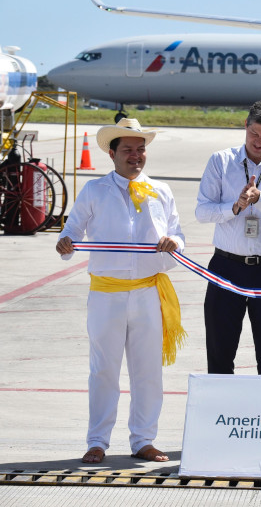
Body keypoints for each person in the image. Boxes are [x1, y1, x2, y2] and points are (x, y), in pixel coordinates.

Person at [56, 117, 184, 464]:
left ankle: (144, 439)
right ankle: (97, 441)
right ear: (111, 154)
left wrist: (173, 244)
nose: (136, 156)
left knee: (148, 371)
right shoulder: (95, 190)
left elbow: (179, 236)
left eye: (140, 150)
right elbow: (71, 231)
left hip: (147, 293)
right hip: (106, 295)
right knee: (103, 370)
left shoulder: (161, 191)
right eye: (127, 150)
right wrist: (65, 243)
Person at [196, 100, 261, 375]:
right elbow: (202, 211)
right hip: (226, 267)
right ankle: (220, 415)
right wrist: (234, 207)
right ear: (245, 126)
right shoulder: (221, 161)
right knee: (219, 355)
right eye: (254, 133)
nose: (259, 141)